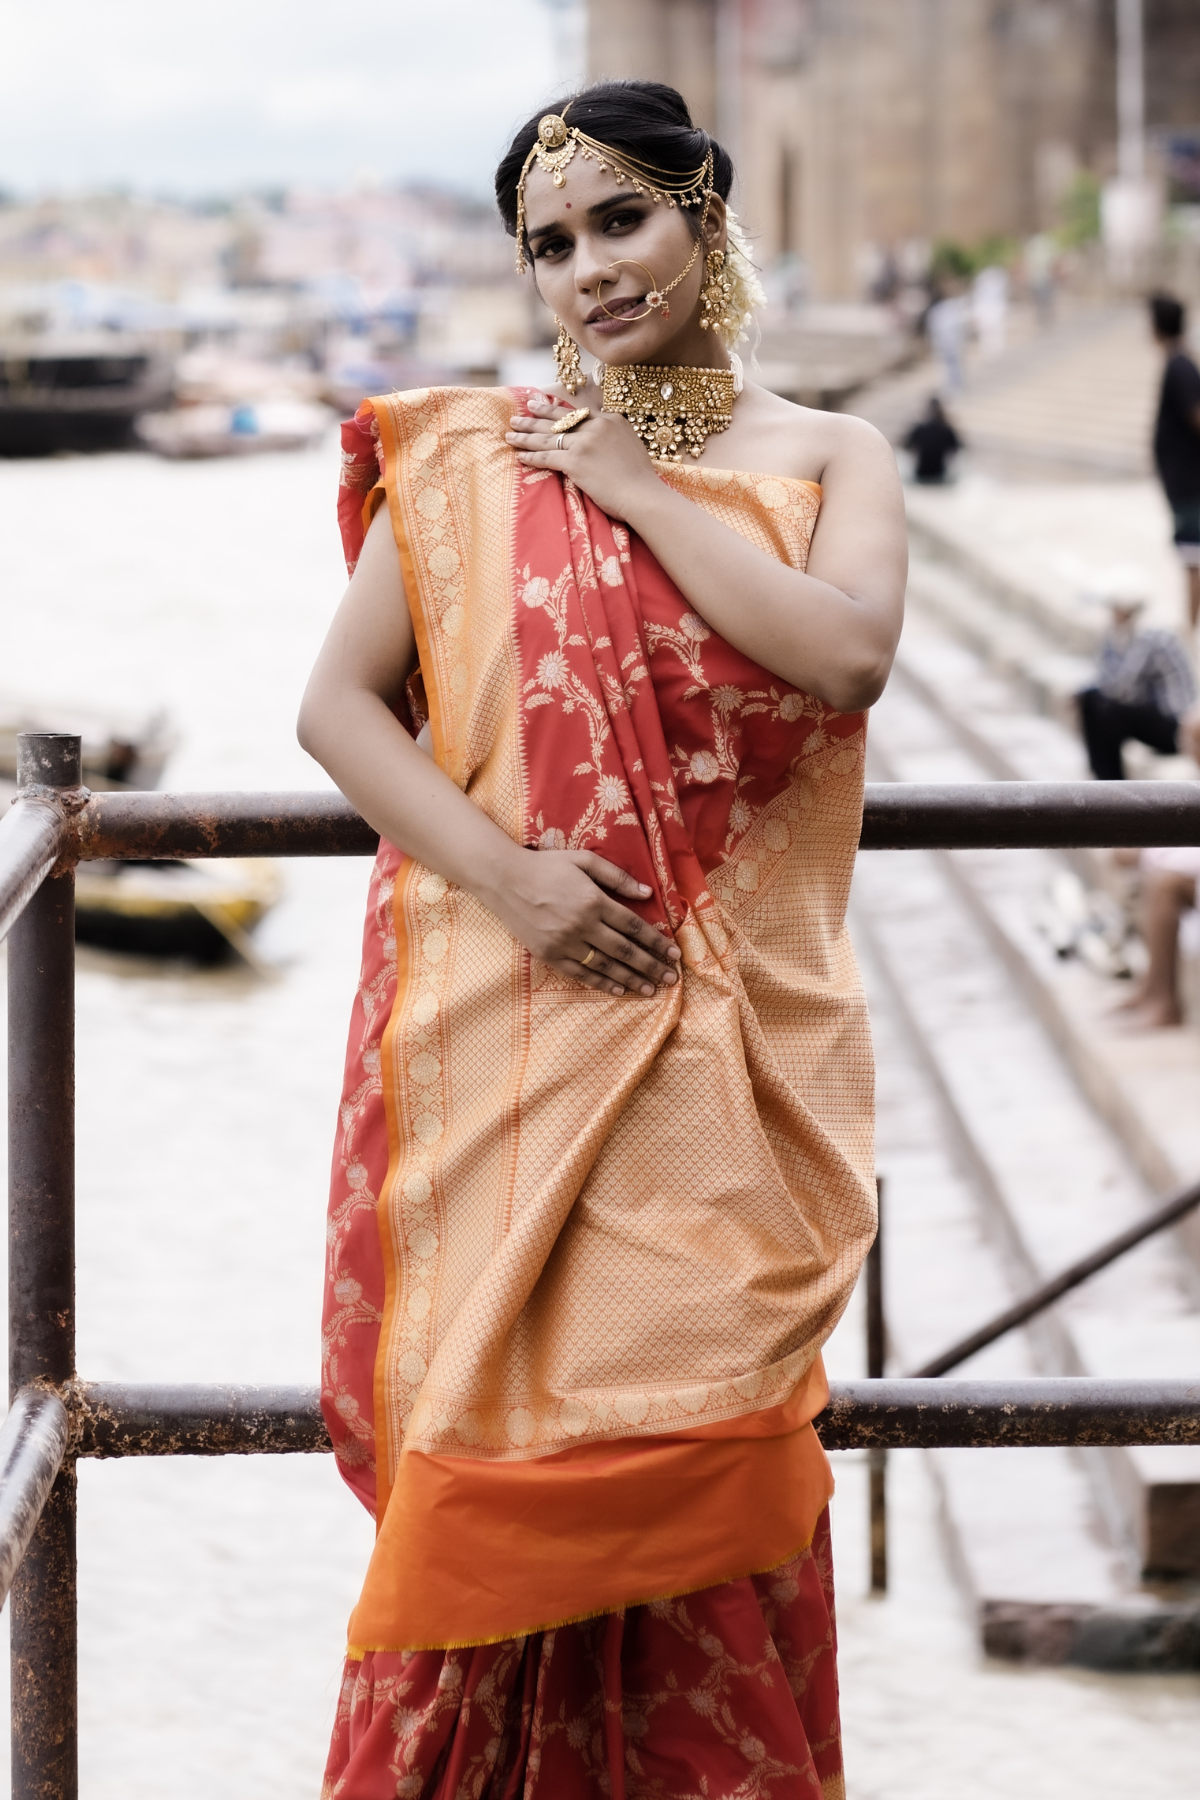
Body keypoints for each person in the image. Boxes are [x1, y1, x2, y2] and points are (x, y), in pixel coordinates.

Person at [299, 78, 906, 1800]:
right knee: (495, 1505)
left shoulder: (824, 455)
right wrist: (509, 878)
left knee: (700, 1482)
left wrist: (641, 486)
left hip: (731, 1084)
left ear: (707, 217)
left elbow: (847, 660)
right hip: (521, 1044)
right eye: (549, 246)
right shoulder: (475, 463)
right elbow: (340, 715)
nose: (588, 270)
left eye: (621, 220)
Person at [1076, 589, 1197, 780]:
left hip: (1176, 725)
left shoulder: (1150, 633)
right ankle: (1102, 779)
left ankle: (1110, 782)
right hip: (1157, 715)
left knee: (1109, 710)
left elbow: (1123, 686)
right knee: (1091, 697)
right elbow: (1105, 678)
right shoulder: (1125, 632)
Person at [1149, 292, 1200, 631]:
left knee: (1193, 554)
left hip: (1189, 482)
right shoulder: (1178, 362)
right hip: (1182, 480)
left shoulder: (1180, 365)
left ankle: (1189, 625)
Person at [904, 395, 962, 483]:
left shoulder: (919, 428)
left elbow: (906, 445)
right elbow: (957, 447)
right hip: (940, 472)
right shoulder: (947, 429)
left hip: (921, 472)